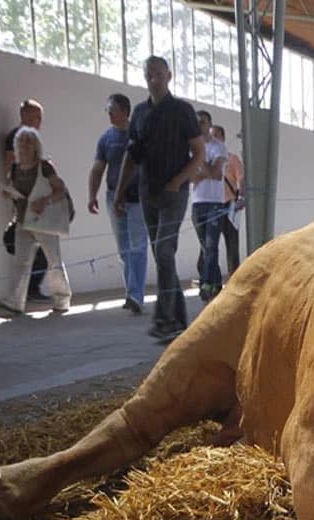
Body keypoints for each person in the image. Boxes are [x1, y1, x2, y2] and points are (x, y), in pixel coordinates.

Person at [115, 55, 204, 342]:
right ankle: (177, 319)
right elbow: (132, 156)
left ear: (169, 75)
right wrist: (119, 192)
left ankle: (165, 320)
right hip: (146, 193)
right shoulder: (139, 113)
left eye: (158, 74)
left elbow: (199, 154)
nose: (154, 79)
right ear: (145, 78)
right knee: (162, 257)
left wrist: (179, 180)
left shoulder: (183, 111)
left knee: (164, 252)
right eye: (149, 75)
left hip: (174, 194)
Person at [0, 128, 72, 315]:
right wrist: (8, 193)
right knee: (21, 262)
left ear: (36, 146)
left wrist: (45, 201)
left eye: (29, 142)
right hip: (23, 220)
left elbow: (60, 190)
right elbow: (15, 191)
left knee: (53, 261)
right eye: (21, 141)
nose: (24, 145)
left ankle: (62, 299)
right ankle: (15, 302)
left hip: (44, 220)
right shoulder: (14, 168)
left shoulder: (45, 166)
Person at [87, 93, 146, 315]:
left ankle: (136, 296)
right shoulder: (106, 139)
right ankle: (131, 291)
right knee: (124, 249)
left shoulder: (138, 136)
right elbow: (97, 169)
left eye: (112, 109)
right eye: (108, 110)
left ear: (124, 111)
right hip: (114, 197)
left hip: (137, 198)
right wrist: (92, 195)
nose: (109, 114)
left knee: (138, 246)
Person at [3, 99, 49, 303]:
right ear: (24, 116)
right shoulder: (17, 137)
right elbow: (11, 166)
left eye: (40, 118)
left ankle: (30, 288)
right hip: (25, 199)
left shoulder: (33, 138)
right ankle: (27, 290)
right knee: (30, 242)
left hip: (37, 197)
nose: (39, 122)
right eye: (36, 117)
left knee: (42, 242)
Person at [191, 111, 228, 302]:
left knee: (212, 246)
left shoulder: (218, 147)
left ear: (209, 125)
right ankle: (216, 283)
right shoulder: (191, 148)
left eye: (203, 122)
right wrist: (202, 168)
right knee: (206, 247)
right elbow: (190, 177)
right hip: (197, 203)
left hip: (215, 203)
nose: (199, 125)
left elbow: (216, 173)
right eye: (196, 123)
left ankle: (206, 284)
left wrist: (199, 159)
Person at [215, 125, 244, 276]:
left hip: (229, 206)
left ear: (223, 138)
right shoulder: (206, 159)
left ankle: (234, 277)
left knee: (232, 245)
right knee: (209, 246)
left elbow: (241, 179)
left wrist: (242, 198)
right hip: (212, 206)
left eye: (217, 136)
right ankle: (212, 281)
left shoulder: (232, 159)